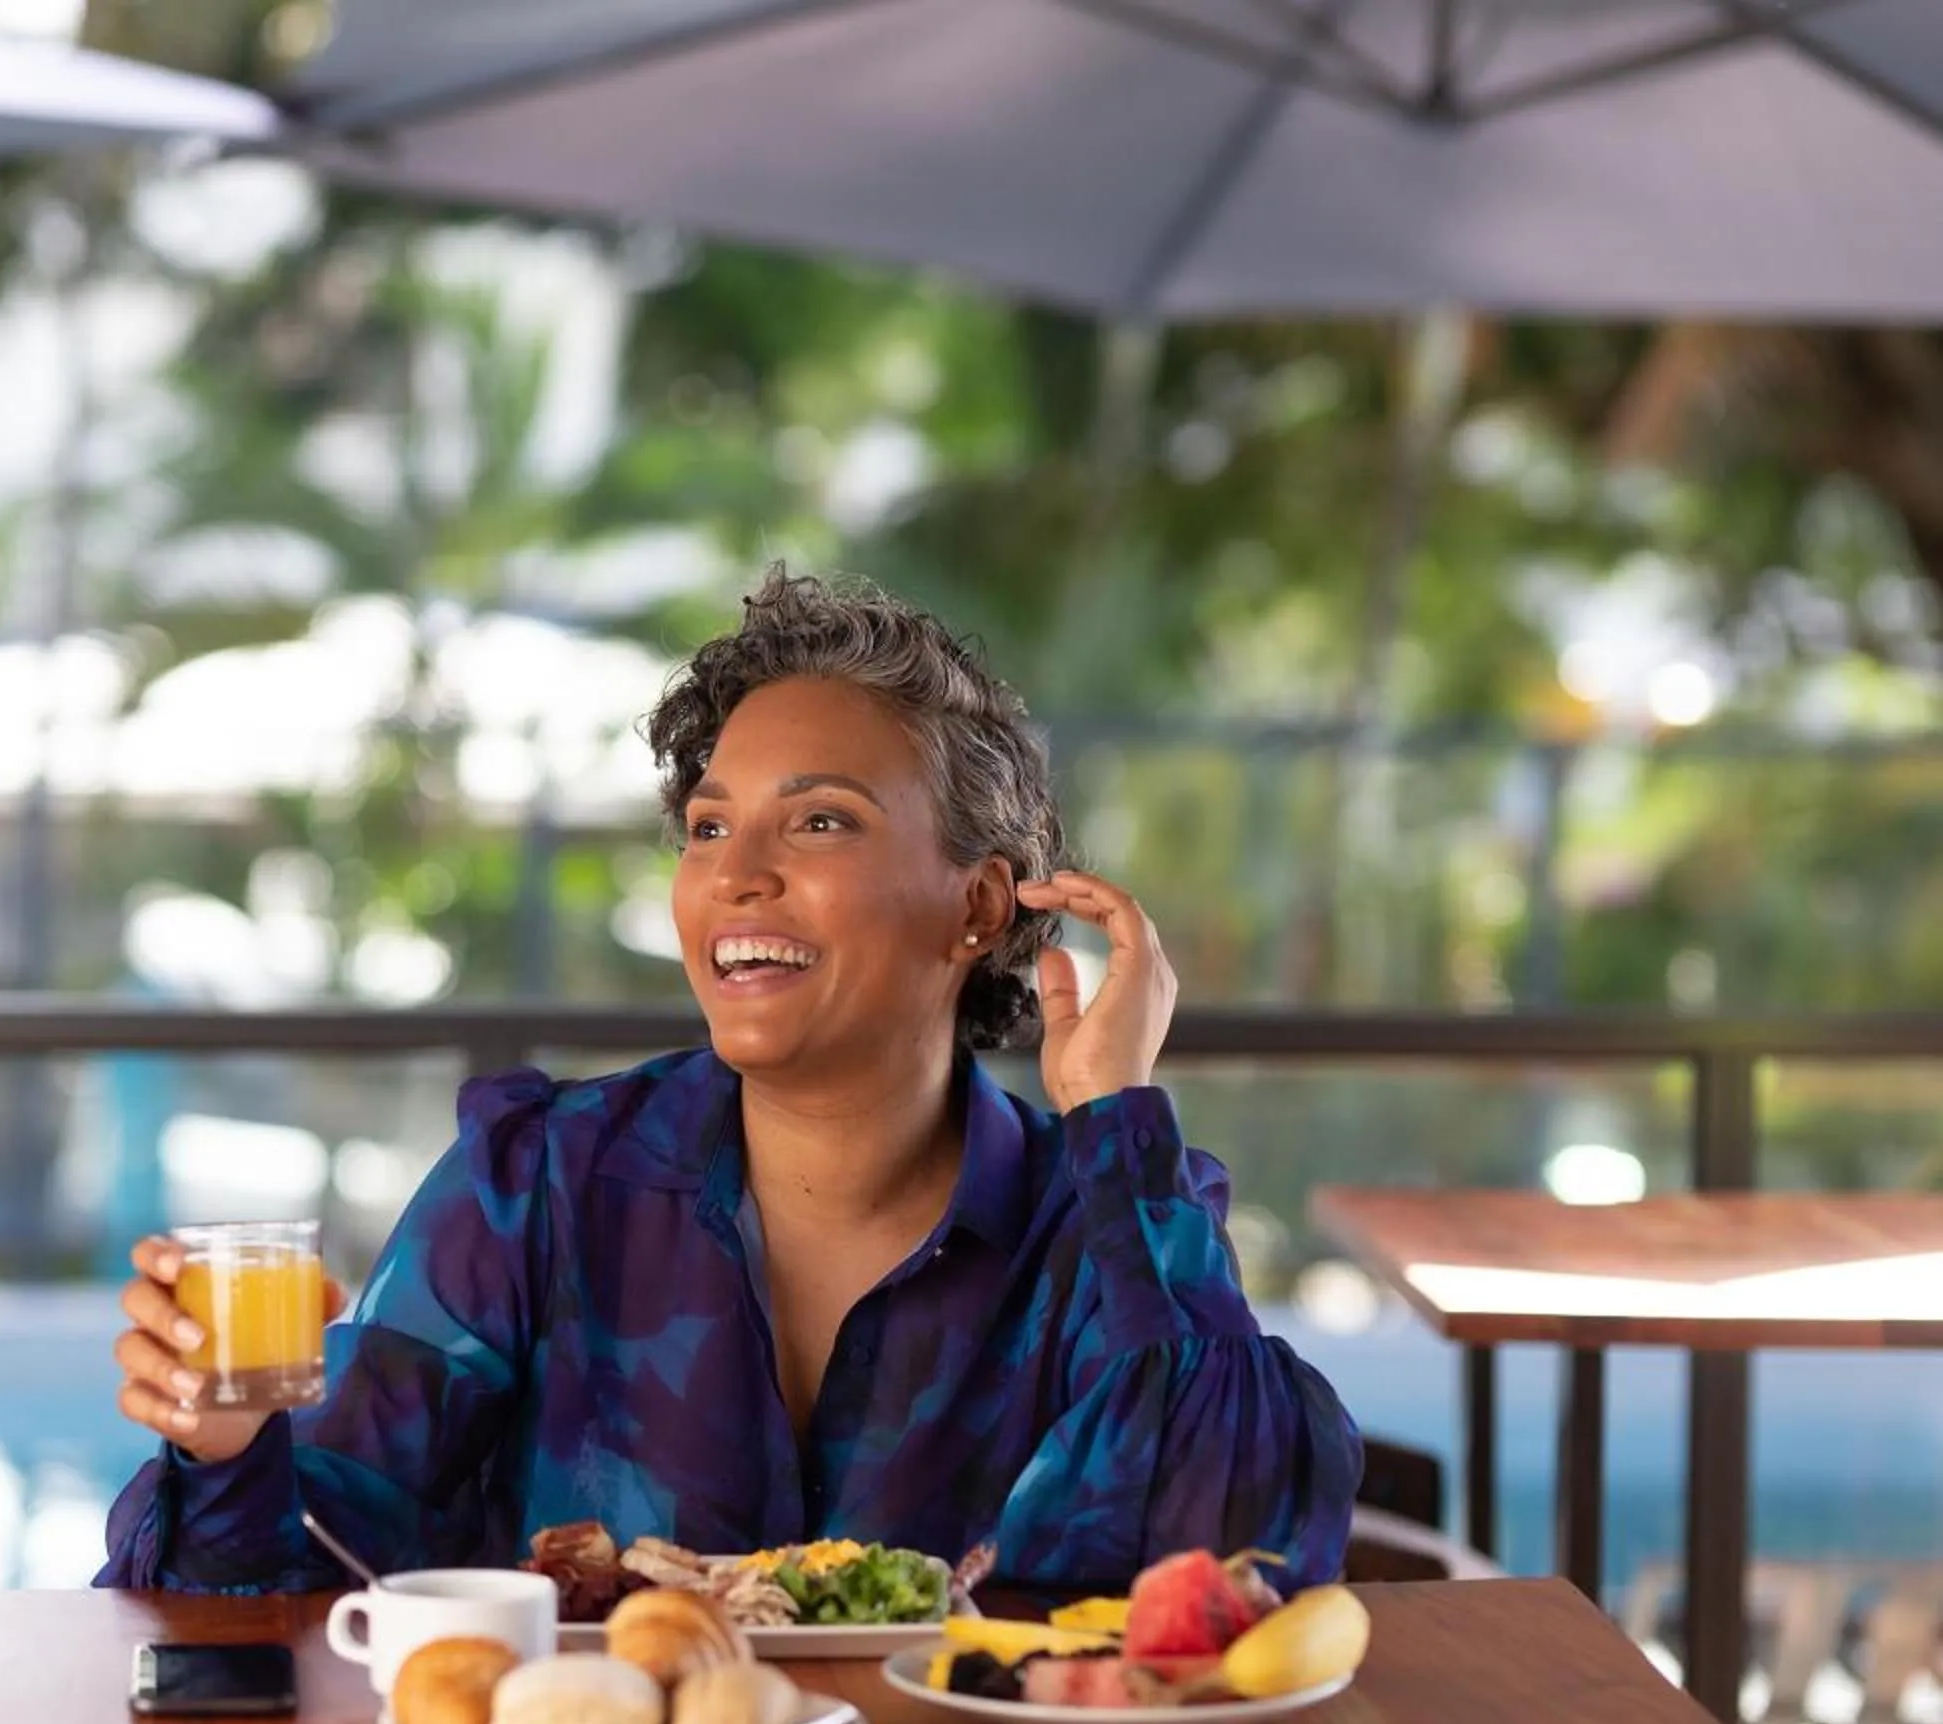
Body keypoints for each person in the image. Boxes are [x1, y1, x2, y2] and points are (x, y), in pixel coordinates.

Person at [97, 569, 1360, 1597]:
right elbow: (288, 1574)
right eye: (708, 826)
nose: (736, 873)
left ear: (977, 906)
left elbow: (1240, 1562)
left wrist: (1116, 1117)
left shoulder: (1101, 1226)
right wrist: (229, 1449)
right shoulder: (539, 1184)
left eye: (820, 821)